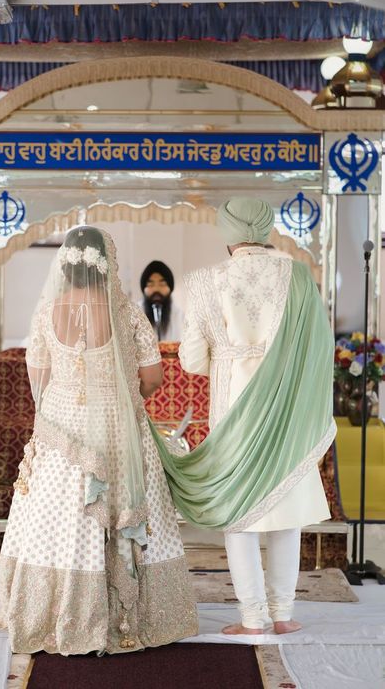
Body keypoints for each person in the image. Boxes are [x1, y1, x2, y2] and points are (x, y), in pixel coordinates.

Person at [0, 226, 198, 655]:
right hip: (118, 426)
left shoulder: (48, 311)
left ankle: (57, 615)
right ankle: (128, 618)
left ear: (65, 266)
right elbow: (152, 378)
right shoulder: (126, 312)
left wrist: (67, 399)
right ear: (109, 262)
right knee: (127, 513)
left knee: (61, 518)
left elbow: (40, 380)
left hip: (62, 427)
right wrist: (123, 398)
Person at [152, 198, 336, 636]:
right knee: (284, 508)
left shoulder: (203, 282)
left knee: (240, 514)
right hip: (287, 409)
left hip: (233, 410)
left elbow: (193, 360)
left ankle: (252, 618)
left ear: (227, 230)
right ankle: (283, 614)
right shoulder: (298, 276)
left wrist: (230, 354)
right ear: (267, 227)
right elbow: (319, 348)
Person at [139, 261, 184, 341]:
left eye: (162, 284)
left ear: (170, 288)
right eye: (150, 284)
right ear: (144, 289)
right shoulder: (134, 315)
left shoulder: (180, 317)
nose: (156, 289)